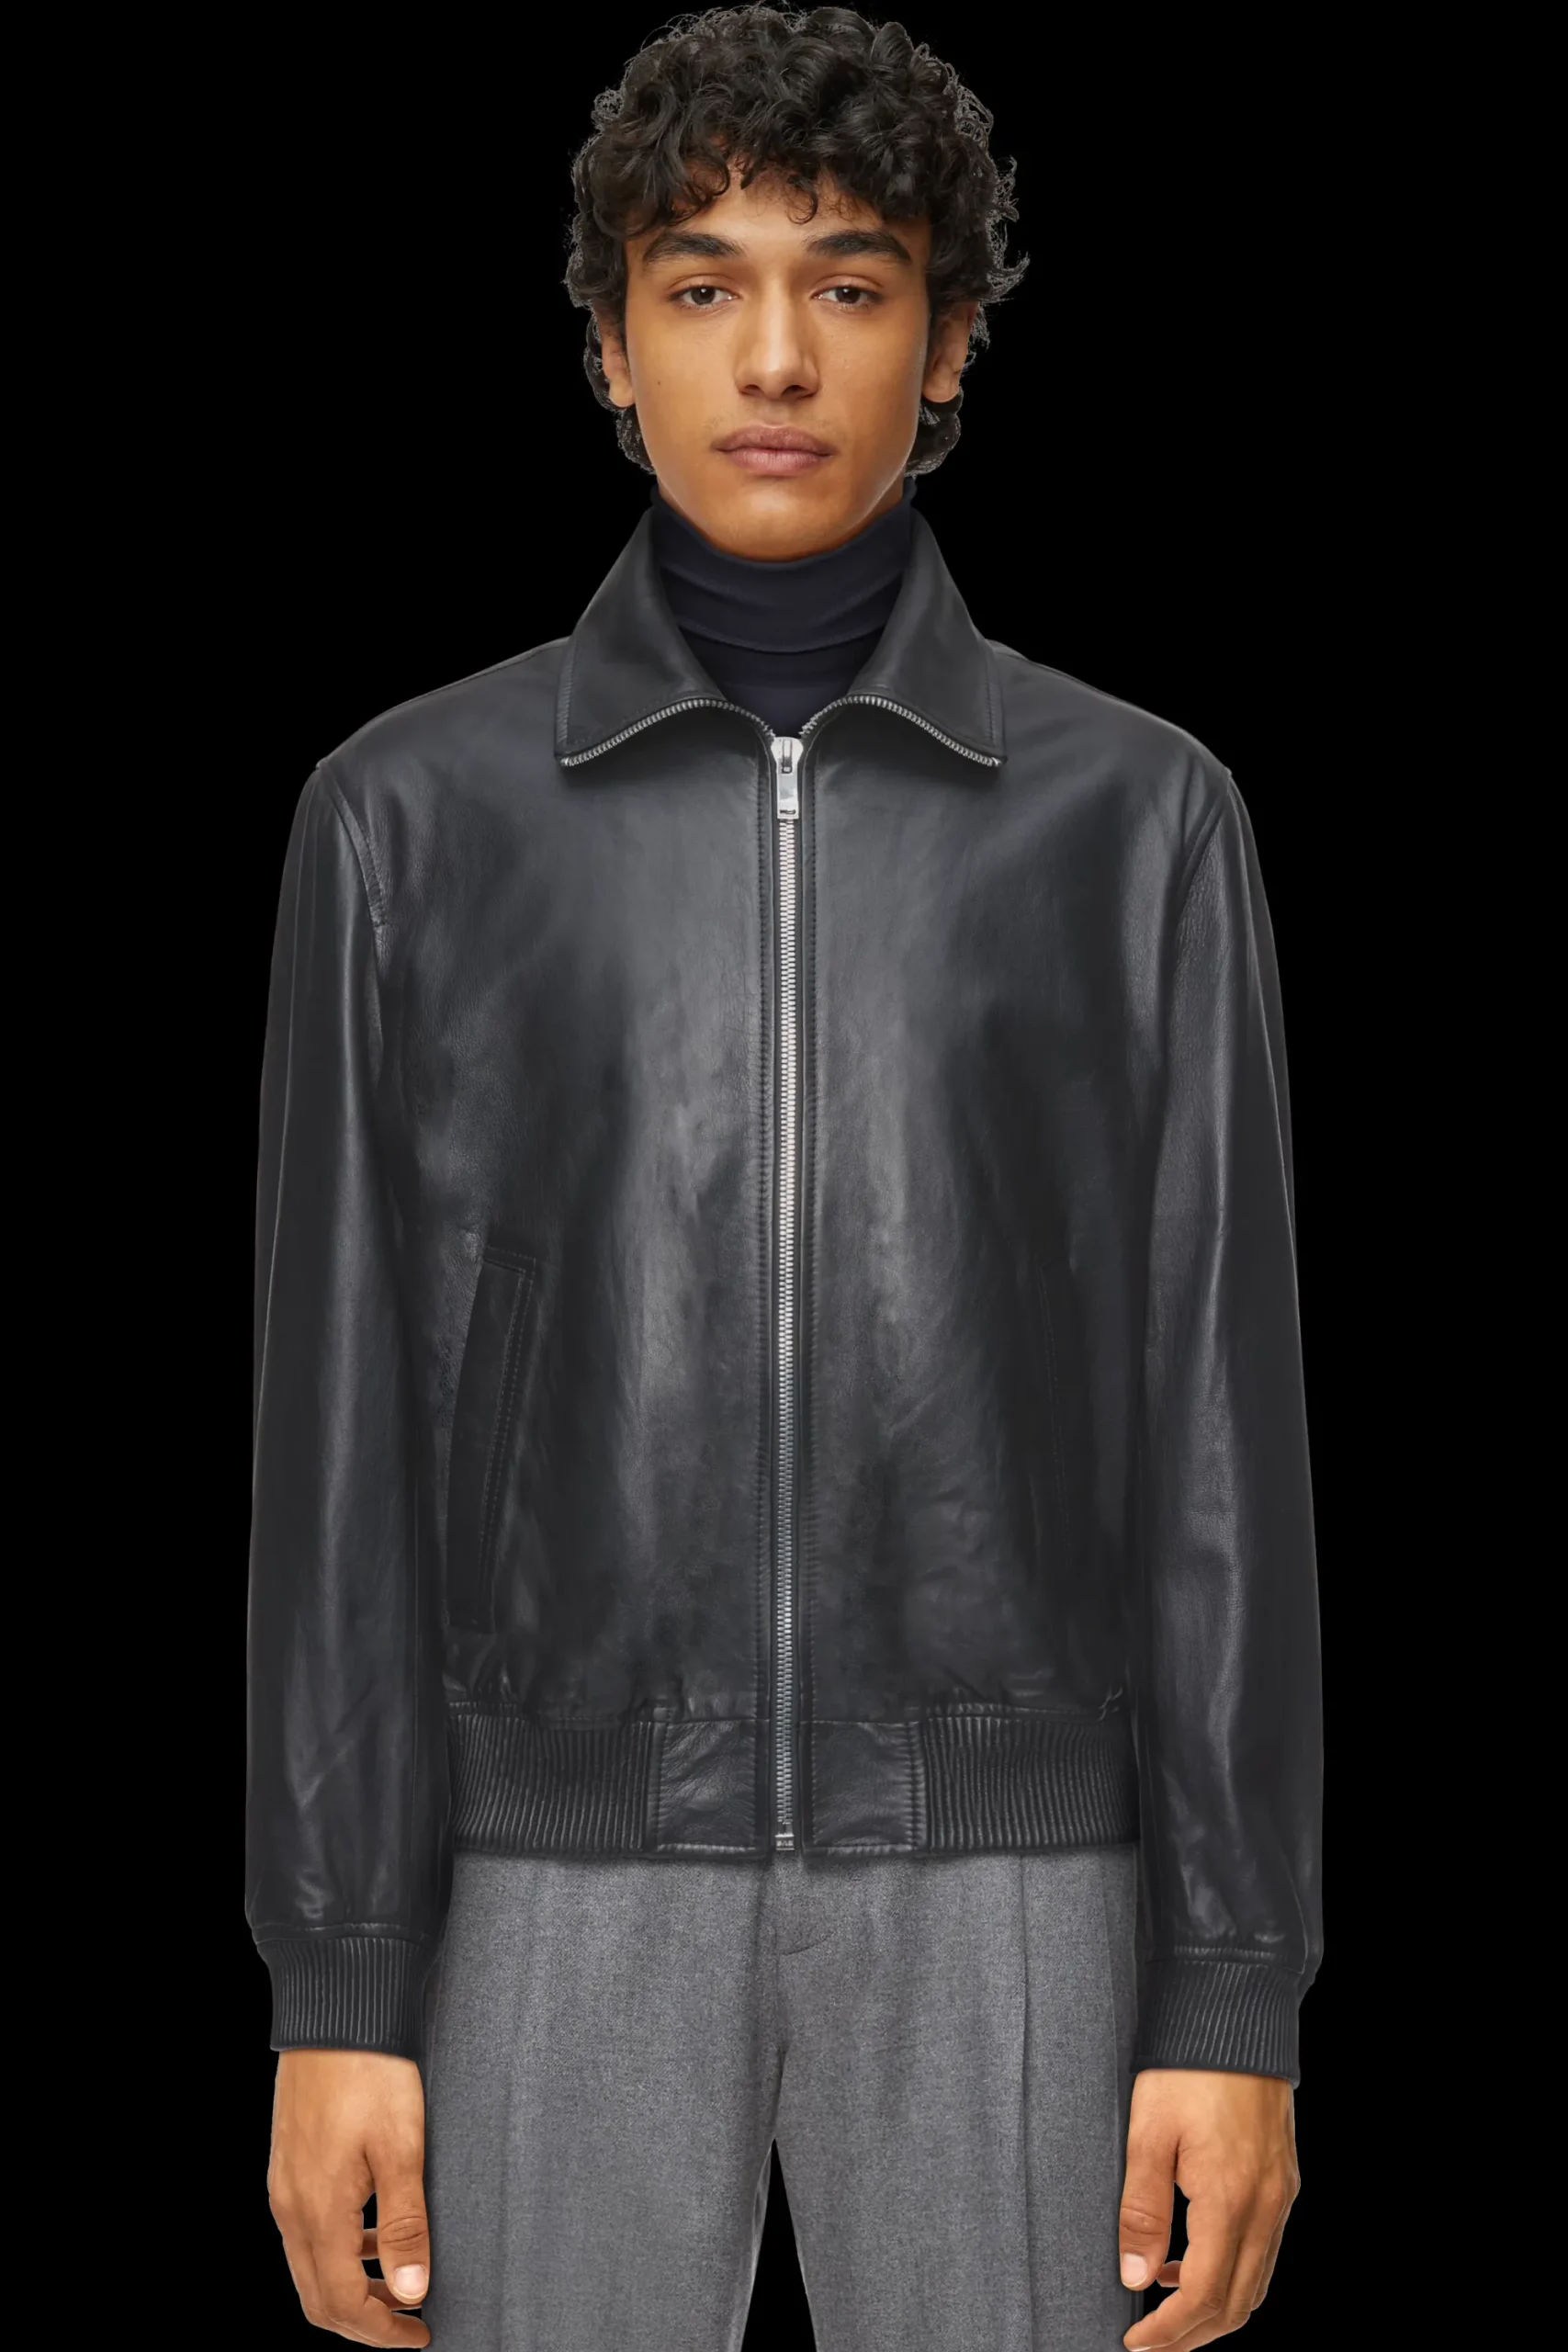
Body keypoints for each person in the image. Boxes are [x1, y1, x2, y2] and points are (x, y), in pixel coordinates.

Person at [246, 7, 1324, 2347]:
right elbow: (334, 1452)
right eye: (698, 282)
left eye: (847, 284)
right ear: (608, 344)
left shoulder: (1136, 818)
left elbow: (1222, 1449)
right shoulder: (408, 818)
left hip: (1017, 1869)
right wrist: (336, 1977)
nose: (772, 357)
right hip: (548, 1871)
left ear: (948, 340)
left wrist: (1233, 1986)